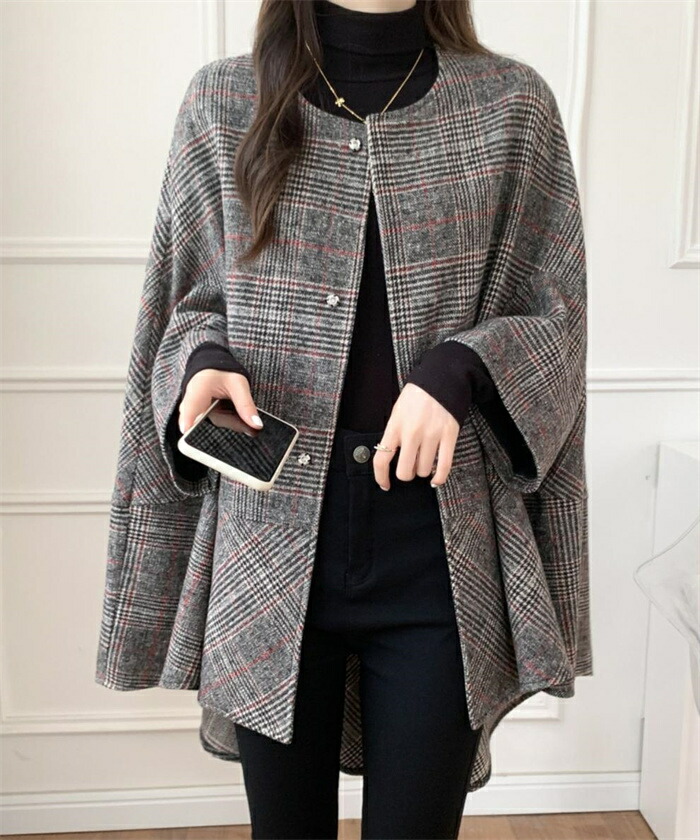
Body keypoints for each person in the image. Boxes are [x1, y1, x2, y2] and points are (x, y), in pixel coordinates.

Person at [94, 1, 591, 838]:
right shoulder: (225, 100)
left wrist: (460, 367)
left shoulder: (511, 105)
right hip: (268, 541)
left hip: (440, 548)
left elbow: (556, 315)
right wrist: (204, 363)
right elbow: (185, 303)